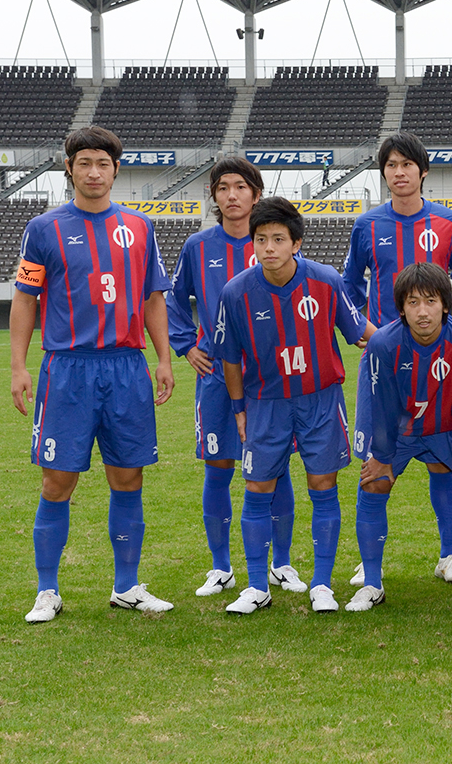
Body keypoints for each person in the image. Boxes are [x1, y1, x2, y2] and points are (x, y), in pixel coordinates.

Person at [11, 125, 175, 623]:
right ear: (69, 168)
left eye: (103, 163)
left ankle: (126, 585)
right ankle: (47, 590)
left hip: (126, 367)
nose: (94, 171)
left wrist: (164, 358)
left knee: (128, 477)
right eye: (84, 162)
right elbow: (25, 299)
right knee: (58, 480)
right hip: (68, 370)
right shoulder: (44, 229)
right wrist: (19, 366)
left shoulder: (140, 228)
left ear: (116, 169)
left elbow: (153, 299)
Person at [213, 197, 374, 614]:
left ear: (296, 243)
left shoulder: (325, 280)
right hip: (265, 402)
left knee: (323, 486)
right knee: (256, 488)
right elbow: (229, 358)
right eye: (261, 239)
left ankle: (322, 583)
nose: (269, 247)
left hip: (320, 399)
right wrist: (238, 408)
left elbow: (358, 332)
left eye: (278, 239)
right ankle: (255, 585)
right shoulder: (235, 292)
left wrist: (406, 338)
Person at [342, 132, 452, 588]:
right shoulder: (367, 225)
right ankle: (369, 561)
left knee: (443, 463)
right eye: (391, 165)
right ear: (384, 173)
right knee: (376, 466)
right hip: (386, 364)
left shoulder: (450, 222)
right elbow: (348, 289)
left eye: (407, 164)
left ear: (423, 171)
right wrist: (364, 331)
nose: (399, 172)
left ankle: (449, 555)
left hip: (440, 362)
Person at [167, 157, 304, 598]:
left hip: (269, 379)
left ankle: (281, 563)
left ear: (256, 194)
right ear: (214, 196)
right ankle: (221, 567)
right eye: (222, 187)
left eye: (240, 187)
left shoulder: (274, 241)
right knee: (218, 467)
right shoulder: (197, 246)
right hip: (216, 379)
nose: (231, 195)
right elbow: (173, 300)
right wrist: (187, 345)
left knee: (277, 469)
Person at [348, 263, 452, 611]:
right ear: (401, 308)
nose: (422, 312)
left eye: (431, 301)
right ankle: (372, 584)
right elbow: (382, 404)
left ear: (445, 304)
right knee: (373, 484)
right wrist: (381, 456)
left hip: (447, 430)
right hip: (402, 432)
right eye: (412, 303)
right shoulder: (382, 343)